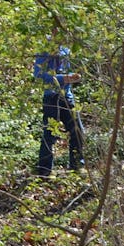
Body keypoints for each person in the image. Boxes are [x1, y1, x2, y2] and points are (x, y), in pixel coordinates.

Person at [33, 46, 84, 176]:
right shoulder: (43, 51)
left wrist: (73, 78)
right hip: (51, 97)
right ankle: (44, 171)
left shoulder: (66, 50)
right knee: (50, 134)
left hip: (67, 97)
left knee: (77, 130)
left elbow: (68, 73)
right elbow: (39, 74)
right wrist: (63, 78)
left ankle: (76, 166)